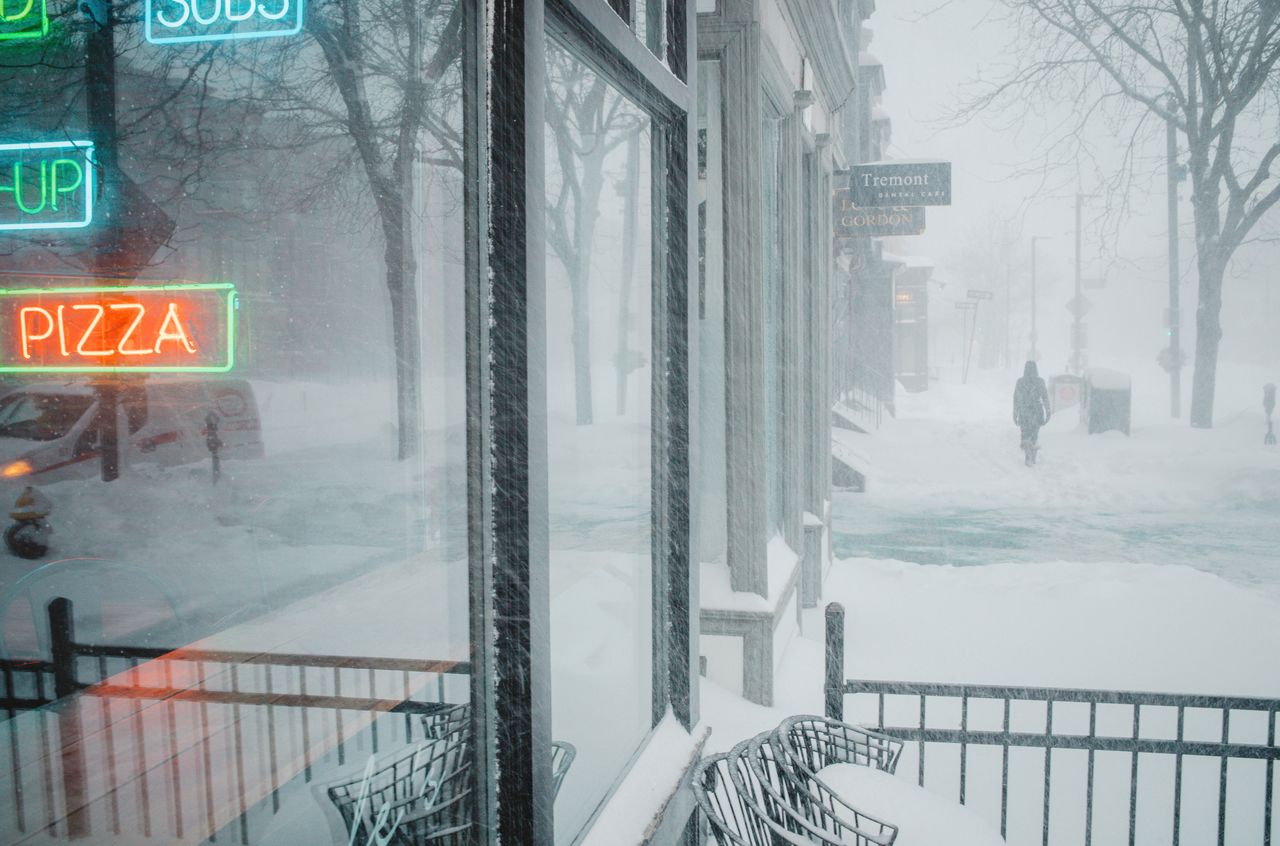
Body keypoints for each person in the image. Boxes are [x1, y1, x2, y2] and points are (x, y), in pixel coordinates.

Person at [1013, 361, 1051, 465]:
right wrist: (1048, 411)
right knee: (1034, 435)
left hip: (1024, 412)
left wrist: (1015, 413)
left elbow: (1016, 399)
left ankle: (1028, 454)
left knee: (1025, 434)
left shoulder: (1020, 382)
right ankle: (1032, 453)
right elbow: (1045, 398)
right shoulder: (1040, 382)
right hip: (1037, 412)